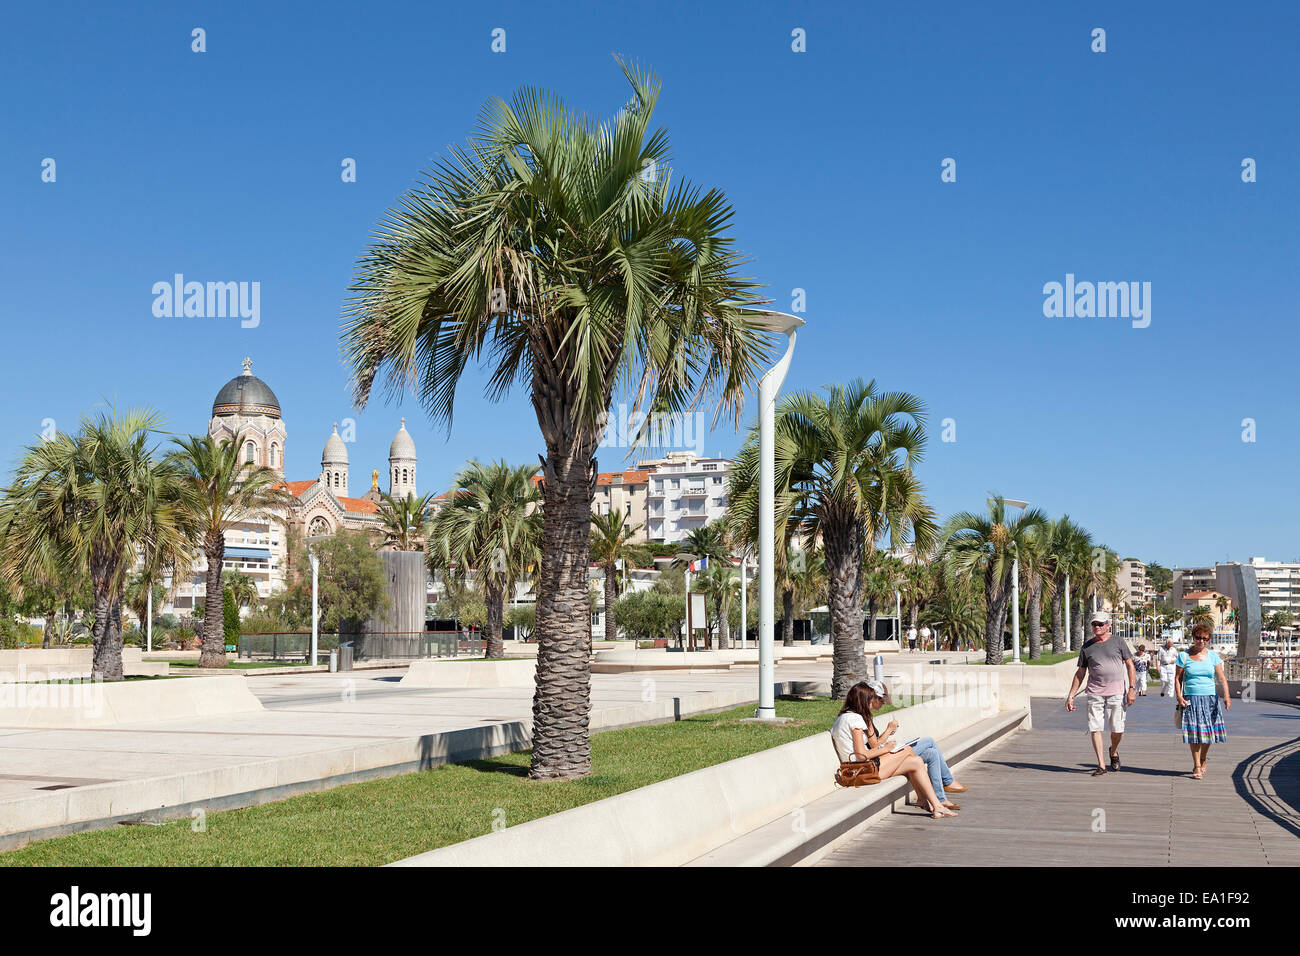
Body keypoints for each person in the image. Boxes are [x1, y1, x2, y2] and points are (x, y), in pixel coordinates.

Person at [830, 680, 959, 818]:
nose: (871, 703)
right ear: (862, 700)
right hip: (862, 771)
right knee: (908, 750)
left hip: (857, 770)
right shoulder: (855, 720)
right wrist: (887, 749)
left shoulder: (842, 718)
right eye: (869, 699)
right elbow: (861, 755)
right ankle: (936, 802)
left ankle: (935, 806)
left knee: (916, 762)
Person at [1065, 611, 1137, 775]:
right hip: (1095, 692)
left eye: (1100, 624)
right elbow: (1080, 673)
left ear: (1108, 625)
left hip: (1117, 692)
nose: (1097, 627)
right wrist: (1071, 696)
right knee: (1095, 727)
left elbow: (1130, 665)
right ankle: (1101, 765)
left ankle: (1113, 751)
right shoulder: (1087, 647)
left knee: (1117, 729)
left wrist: (1132, 689)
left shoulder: (1118, 642)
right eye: (1094, 624)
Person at [1176, 623, 1231, 779]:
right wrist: (1179, 697)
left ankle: (1203, 757)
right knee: (1194, 734)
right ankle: (1197, 765)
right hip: (1191, 699)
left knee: (1208, 734)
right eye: (1198, 637)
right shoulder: (1184, 656)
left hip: (1210, 699)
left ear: (1208, 639)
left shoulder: (1213, 656)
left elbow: (1221, 677)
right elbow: (1177, 678)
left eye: (1205, 638)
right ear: (1193, 638)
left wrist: (1226, 696)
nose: (1201, 641)